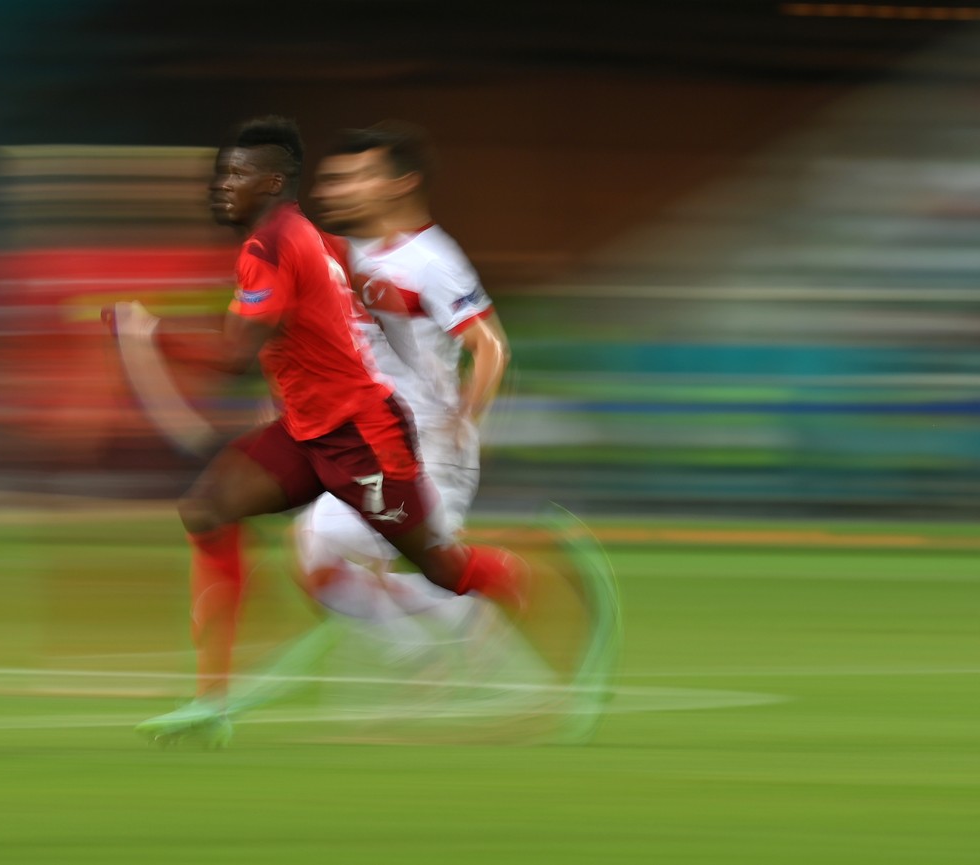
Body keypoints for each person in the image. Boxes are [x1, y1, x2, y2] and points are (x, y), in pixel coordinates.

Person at [120, 116, 616, 747]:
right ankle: (234, 702)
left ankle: (518, 593)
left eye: (357, 176)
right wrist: (285, 398)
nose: (342, 187)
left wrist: (466, 417)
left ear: (398, 184)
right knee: (244, 525)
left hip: (395, 440)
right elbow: (315, 336)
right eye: (336, 177)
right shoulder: (334, 250)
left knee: (434, 569)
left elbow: (488, 345)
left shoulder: (426, 259)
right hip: (322, 430)